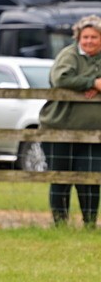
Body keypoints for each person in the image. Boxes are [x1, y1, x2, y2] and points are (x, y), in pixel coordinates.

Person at [38, 14, 101, 227]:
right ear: (78, 38)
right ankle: (60, 223)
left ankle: (90, 223)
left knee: (91, 180)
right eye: (85, 37)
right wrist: (91, 83)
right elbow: (61, 79)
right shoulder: (69, 55)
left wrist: (92, 85)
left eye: (94, 37)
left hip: (94, 134)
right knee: (61, 178)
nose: (89, 41)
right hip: (60, 128)